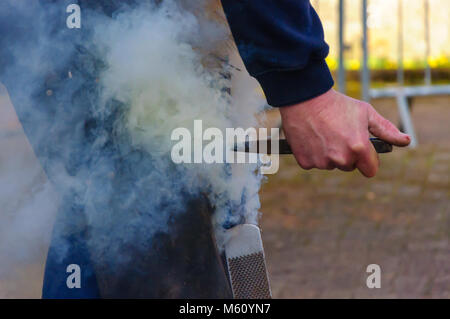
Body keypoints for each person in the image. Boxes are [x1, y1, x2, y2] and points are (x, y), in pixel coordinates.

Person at [0, 0, 410, 298]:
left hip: (52, 26)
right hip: (135, 31)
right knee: (147, 223)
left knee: (104, 214)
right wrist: (306, 89)